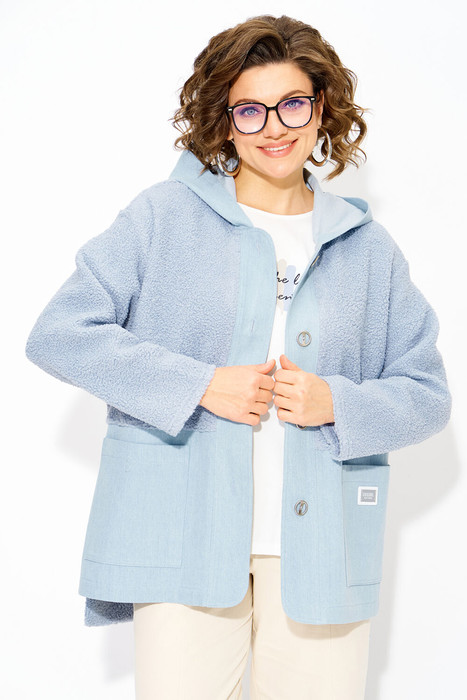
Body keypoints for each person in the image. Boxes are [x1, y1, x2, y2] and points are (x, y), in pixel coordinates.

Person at [24, 14, 452, 700]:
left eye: (292, 104)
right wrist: (199, 385)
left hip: (322, 549)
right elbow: (61, 333)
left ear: (321, 109)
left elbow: (426, 393)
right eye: (249, 110)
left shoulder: (367, 249)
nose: (273, 127)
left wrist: (337, 403)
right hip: (181, 537)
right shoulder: (163, 217)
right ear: (223, 123)